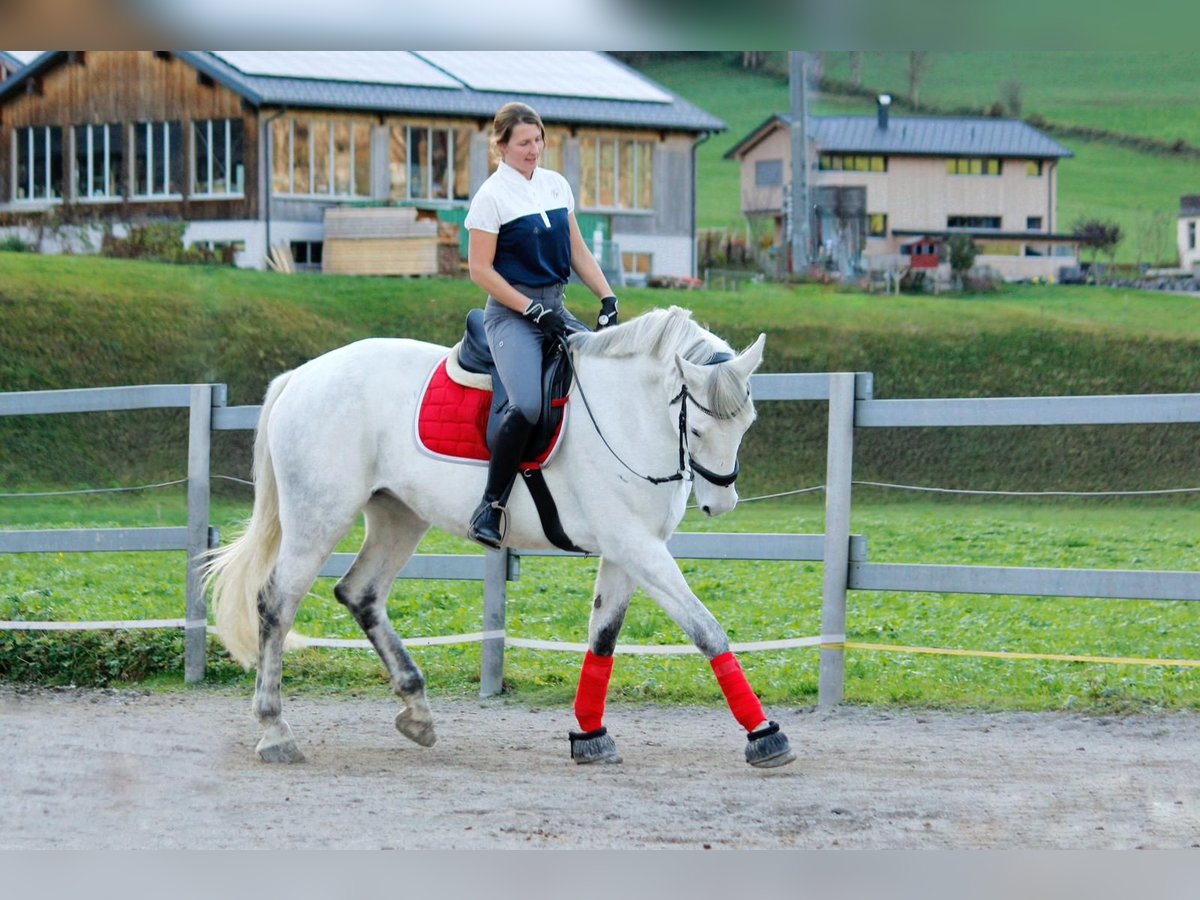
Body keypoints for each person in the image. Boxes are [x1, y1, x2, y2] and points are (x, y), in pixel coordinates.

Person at [462, 102, 620, 549]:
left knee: (604, 379)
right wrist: (531, 310)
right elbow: (480, 270)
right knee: (528, 404)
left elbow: (577, 251)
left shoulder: (555, 185)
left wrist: (607, 297)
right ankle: (490, 506)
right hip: (511, 315)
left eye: (538, 140)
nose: (534, 150)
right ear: (501, 146)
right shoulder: (491, 197)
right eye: (524, 143)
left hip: (555, 308)